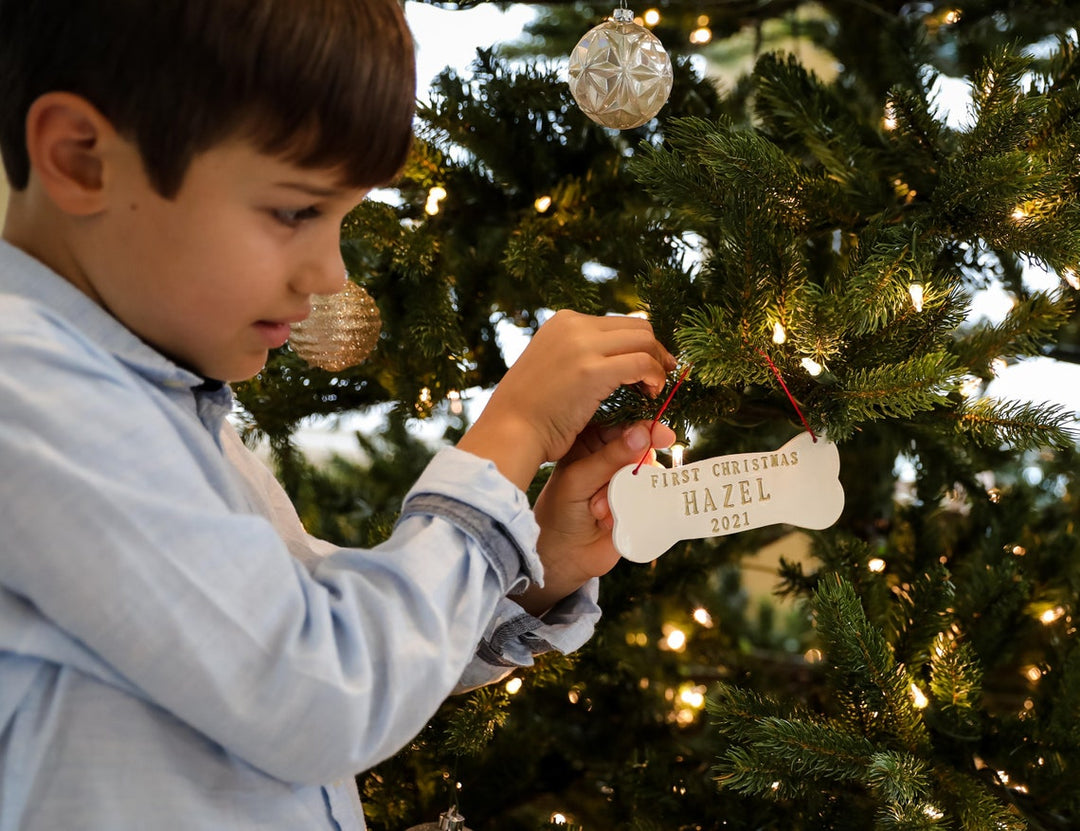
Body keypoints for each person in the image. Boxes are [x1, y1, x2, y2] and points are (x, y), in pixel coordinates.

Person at [0, 1, 677, 829]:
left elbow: (301, 615)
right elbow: (319, 686)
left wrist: (532, 562)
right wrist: (512, 436)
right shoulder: (25, 386)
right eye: (295, 211)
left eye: (344, 217)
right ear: (81, 158)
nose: (328, 272)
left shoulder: (143, 396)